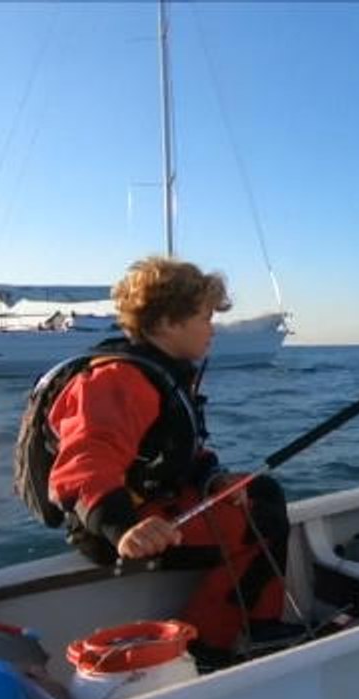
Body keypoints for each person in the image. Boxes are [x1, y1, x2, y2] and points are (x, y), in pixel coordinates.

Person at [42, 256, 292, 665]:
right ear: (166, 323)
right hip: (119, 525)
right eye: (205, 317)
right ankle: (204, 648)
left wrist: (212, 478)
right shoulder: (118, 380)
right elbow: (84, 462)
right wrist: (123, 528)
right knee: (258, 520)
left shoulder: (164, 373)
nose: (213, 328)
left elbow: (179, 451)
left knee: (259, 491)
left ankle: (260, 626)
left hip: (154, 506)